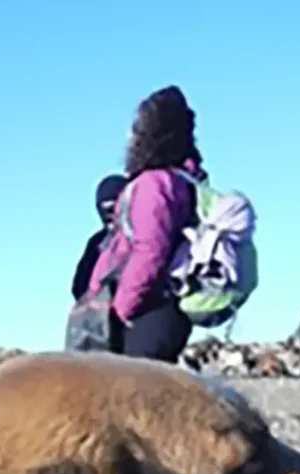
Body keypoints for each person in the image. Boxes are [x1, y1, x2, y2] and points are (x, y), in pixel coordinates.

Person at [86, 85, 207, 363]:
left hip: (146, 313)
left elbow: (150, 251)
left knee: (125, 397)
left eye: (138, 128)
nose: (131, 137)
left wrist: (119, 311)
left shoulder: (154, 184)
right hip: (162, 311)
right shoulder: (185, 181)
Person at [70, 174, 127, 301]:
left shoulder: (141, 236)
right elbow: (79, 286)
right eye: (105, 209)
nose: (110, 216)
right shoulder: (96, 243)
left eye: (113, 207)